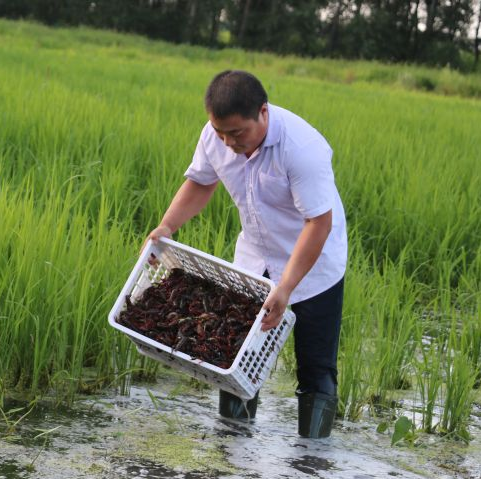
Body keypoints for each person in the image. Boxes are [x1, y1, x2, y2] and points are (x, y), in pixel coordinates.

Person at [146, 70, 347, 438]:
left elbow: (318, 224)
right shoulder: (215, 137)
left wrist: (285, 287)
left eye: (237, 133)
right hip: (255, 260)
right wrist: (167, 226)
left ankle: (311, 471)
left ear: (263, 113)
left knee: (316, 370)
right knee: (236, 358)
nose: (228, 142)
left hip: (315, 267)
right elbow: (200, 183)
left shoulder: (301, 149)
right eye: (221, 132)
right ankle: (233, 455)